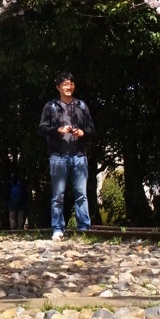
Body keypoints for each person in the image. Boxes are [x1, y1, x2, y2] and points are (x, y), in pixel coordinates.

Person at [39, 71, 95, 241]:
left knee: (81, 194)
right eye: (64, 84)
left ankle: (83, 227)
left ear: (73, 86)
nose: (68, 87)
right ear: (58, 87)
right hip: (58, 156)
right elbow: (42, 128)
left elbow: (91, 128)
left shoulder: (81, 105)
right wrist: (58, 130)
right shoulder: (51, 106)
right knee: (58, 195)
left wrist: (83, 132)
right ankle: (57, 228)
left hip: (79, 155)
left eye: (70, 84)